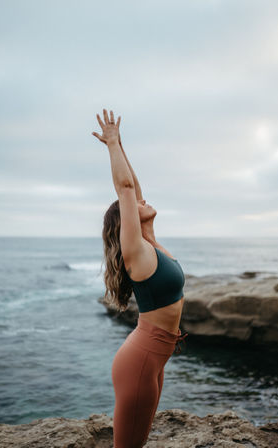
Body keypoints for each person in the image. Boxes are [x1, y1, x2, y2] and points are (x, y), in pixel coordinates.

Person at [92, 108, 188, 448]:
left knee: (138, 442)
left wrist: (121, 145)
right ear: (127, 218)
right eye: (134, 202)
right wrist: (112, 145)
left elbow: (133, 185)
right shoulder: (136, 252)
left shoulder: (151, 246)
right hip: (141, 358)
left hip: (155, 357)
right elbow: (127, 187)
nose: (141, 198)